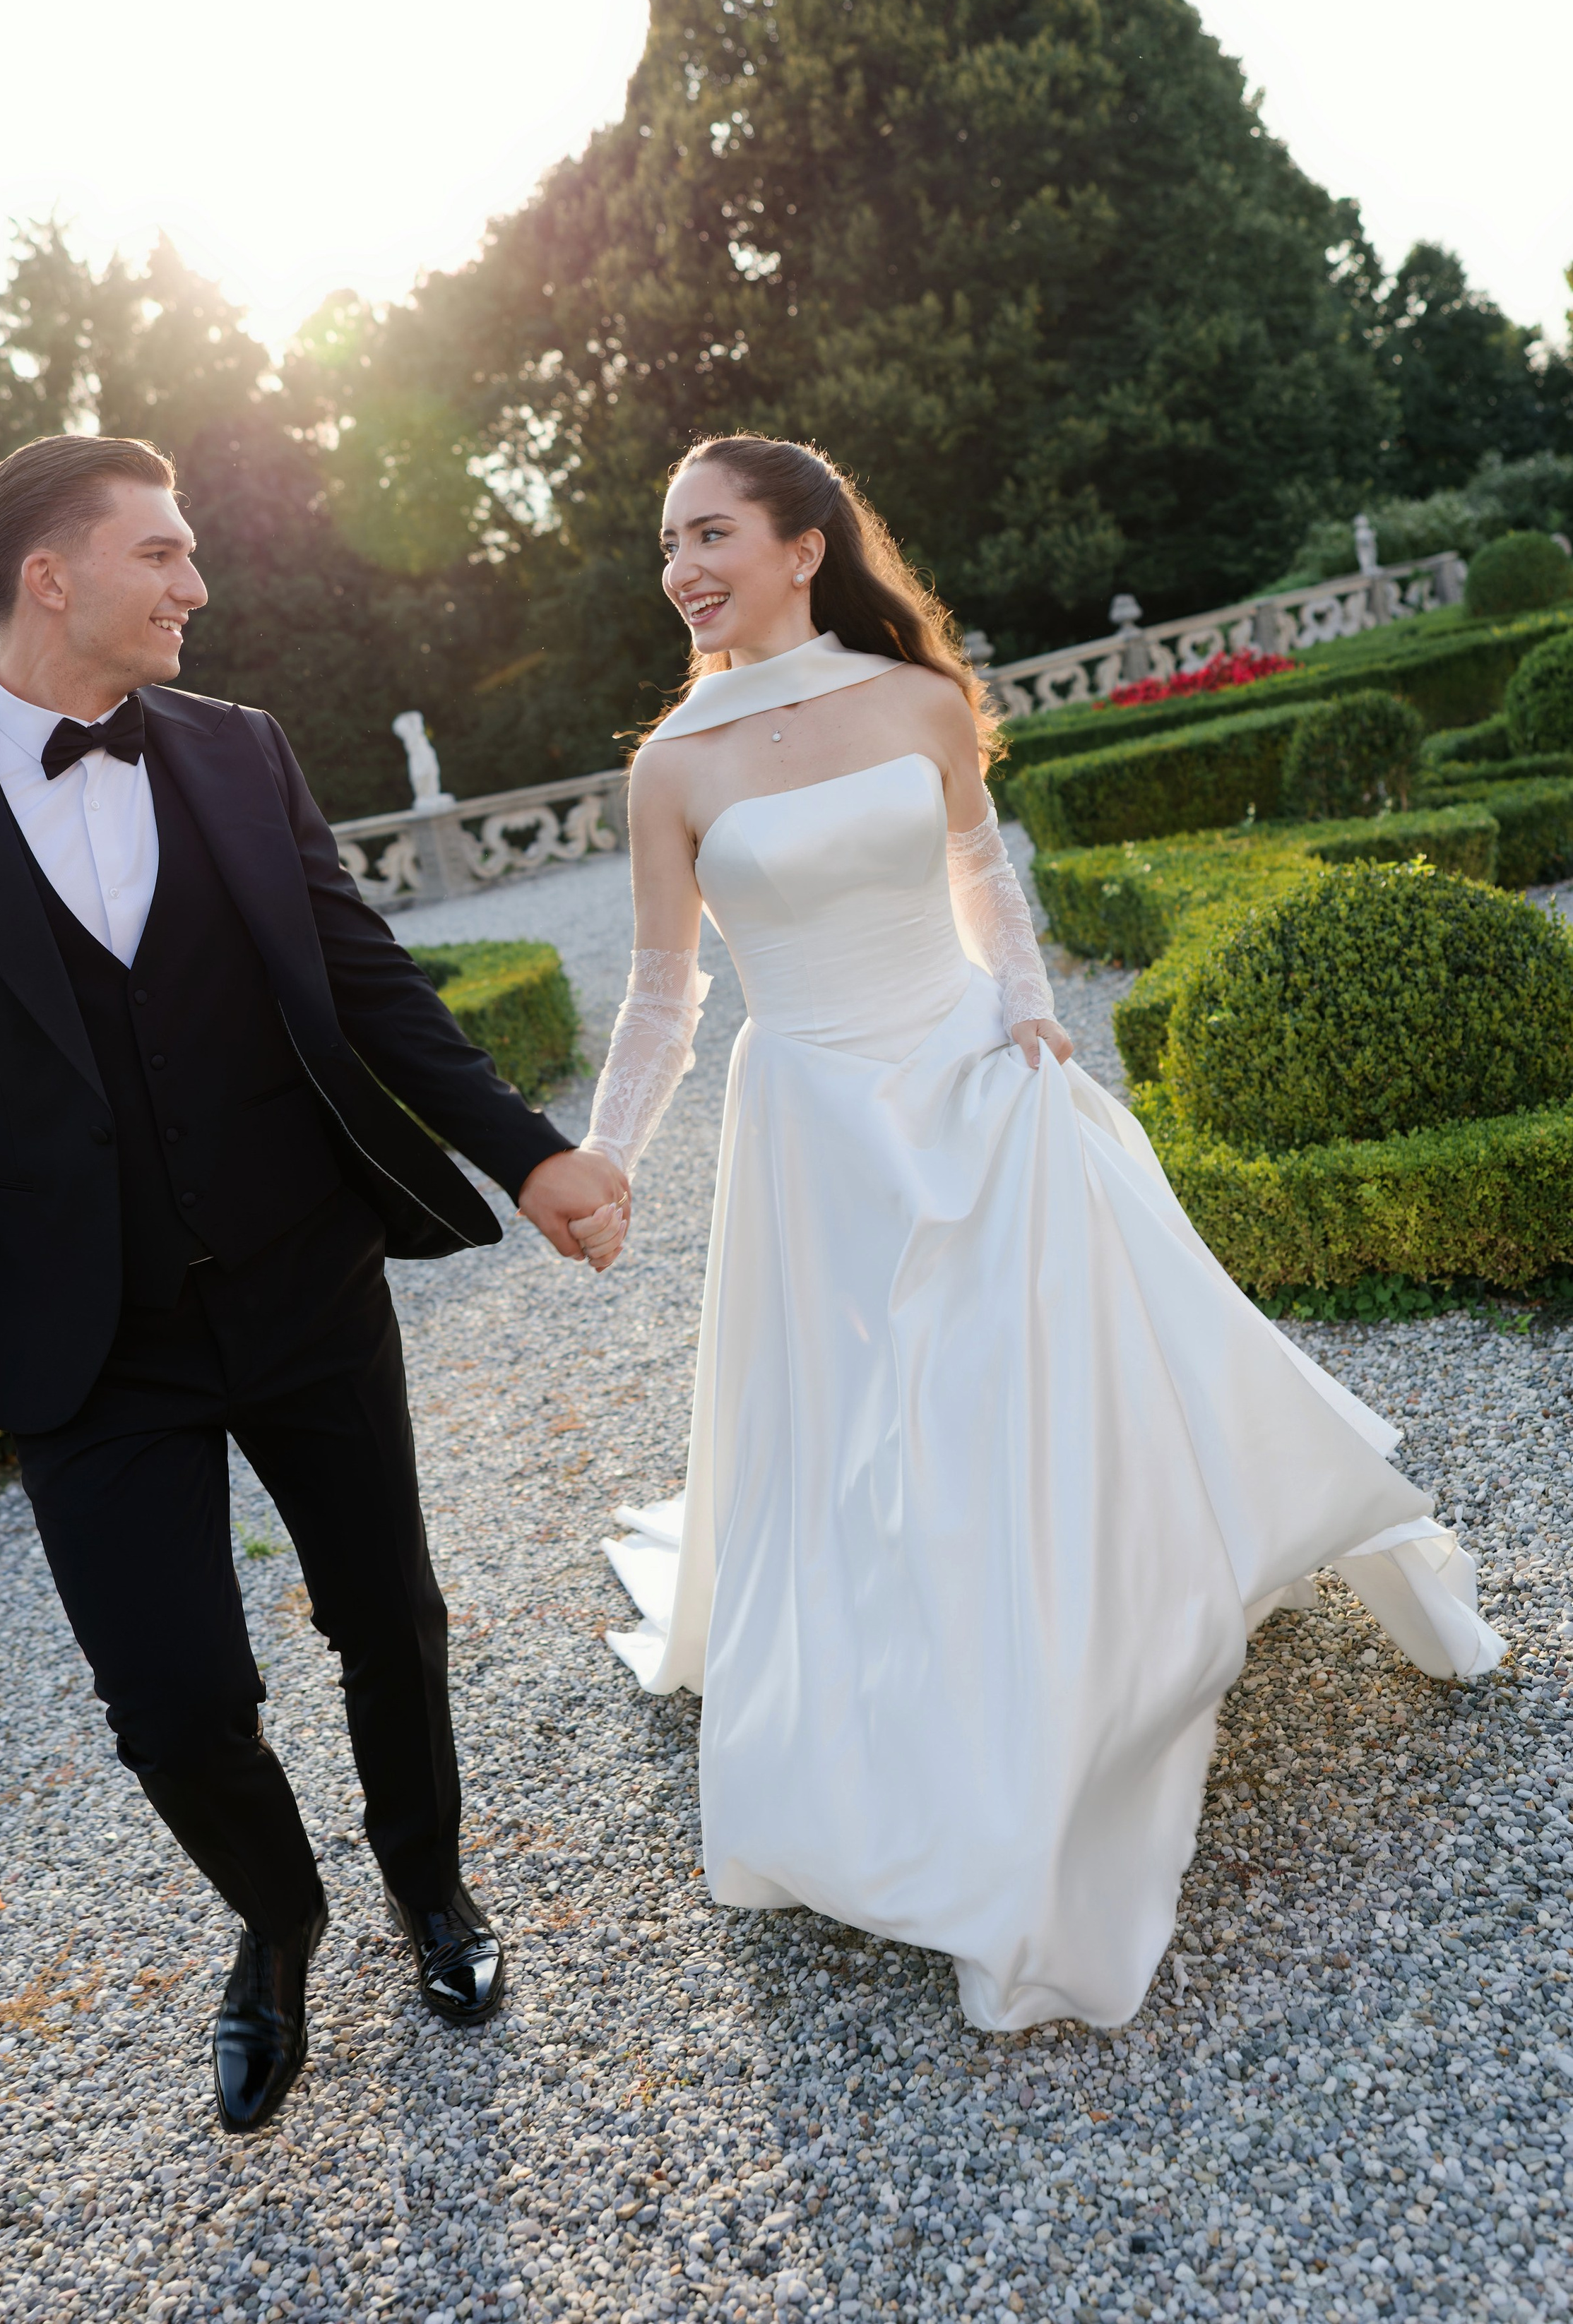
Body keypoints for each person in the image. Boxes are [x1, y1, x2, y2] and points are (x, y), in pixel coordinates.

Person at [582, 433, 1502, 2034]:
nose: (682, 567)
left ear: (805, 544)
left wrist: (1022, 1004)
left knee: (1012, 1379)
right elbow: (667, 992)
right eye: (667, 542)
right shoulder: (672, 763)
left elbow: (977, 875)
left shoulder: (919, 700)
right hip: (809, 1122)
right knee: (866, 1417)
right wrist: (601, 1156)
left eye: (710, 530)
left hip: (964, 1071)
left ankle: (1063, 1663)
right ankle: (911, 1714)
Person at [0, 433, 629, 2134]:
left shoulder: (241, 752)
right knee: (170, 1702)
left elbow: (371, 986)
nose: (195, 584)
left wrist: (528, 1152)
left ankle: (427, 1888)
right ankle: (279, 1913)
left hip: (303, 1277)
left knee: (388, 1614)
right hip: (80, 1340)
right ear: (53, 576)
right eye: (162, 554)